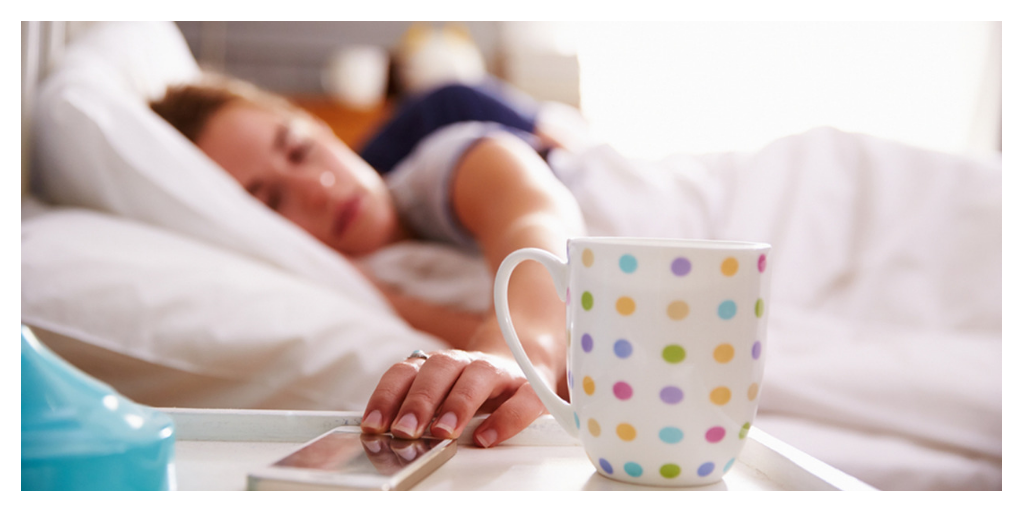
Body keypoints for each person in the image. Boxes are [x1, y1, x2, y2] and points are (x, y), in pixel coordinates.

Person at [150, 74, 587, 448]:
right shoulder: (365, 285)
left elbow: (535, 222)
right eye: (273, 203)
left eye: (301, 150)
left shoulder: (438, 167)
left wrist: (518, 352)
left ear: (321, 129)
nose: (319, 188)